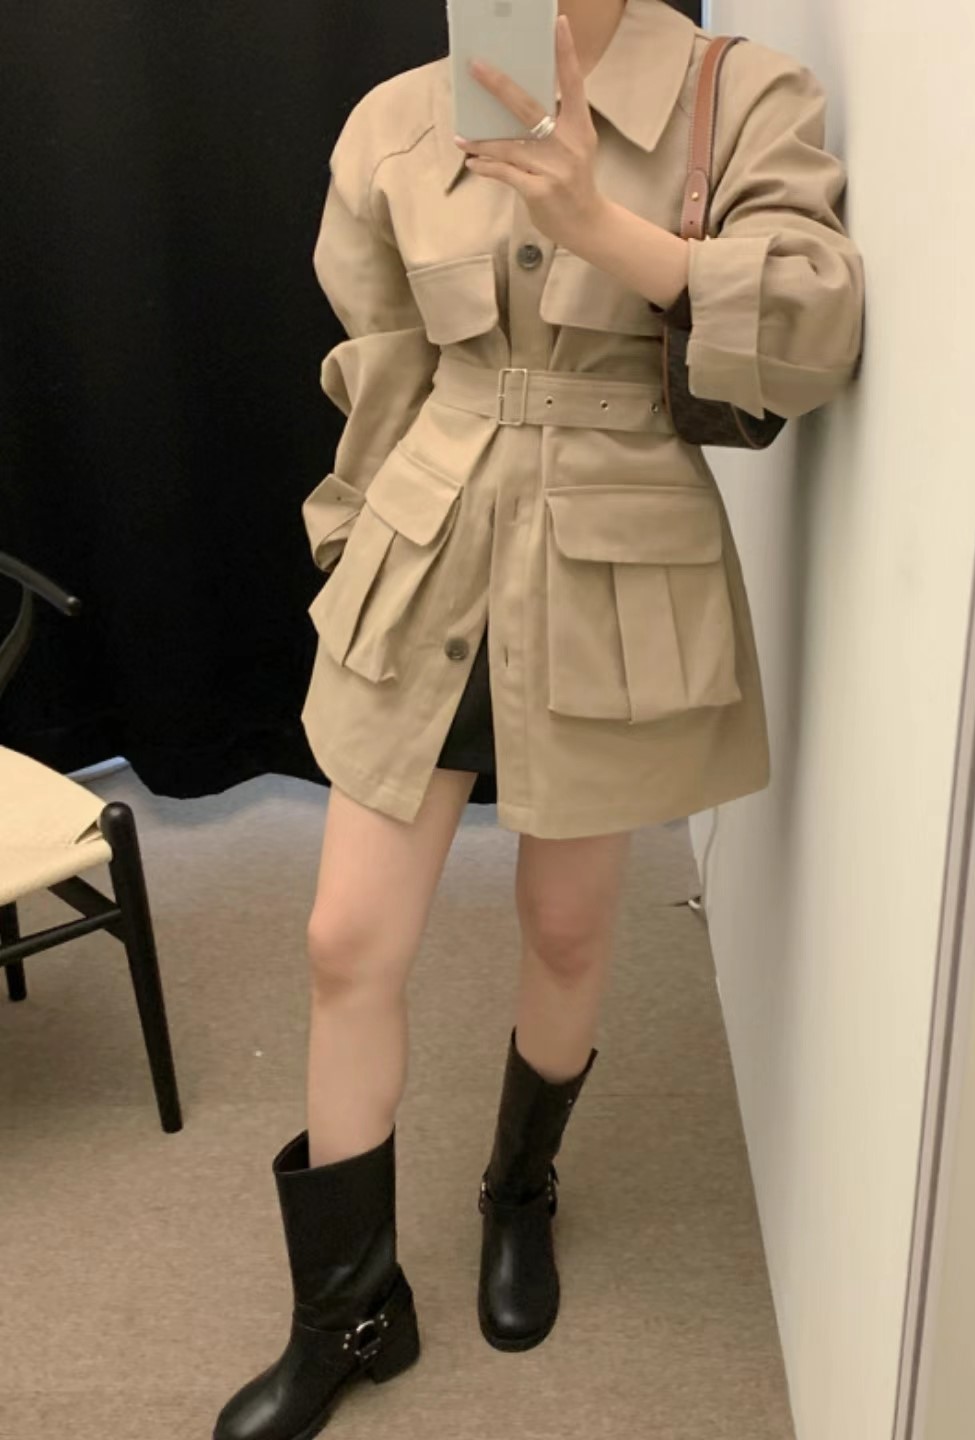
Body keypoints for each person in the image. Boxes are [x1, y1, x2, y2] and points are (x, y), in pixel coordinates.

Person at [213, 1, 865, 1436]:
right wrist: (351, 533)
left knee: (567, 929)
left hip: (611, 567)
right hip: (428, 549)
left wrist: (605, 228)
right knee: (344, 941)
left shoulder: (740, 94)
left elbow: (818, 326)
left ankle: (519, 1194)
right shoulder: (396, 120)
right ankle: (348, 1311)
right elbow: (383, 360)